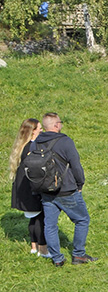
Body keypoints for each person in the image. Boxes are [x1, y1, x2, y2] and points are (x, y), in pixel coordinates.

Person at [35, 113, 94, 266]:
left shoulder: (36, 143)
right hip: (67, 190)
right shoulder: (65, 142)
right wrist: (80, 184)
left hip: (46, 190)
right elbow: (76, 166)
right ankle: (78, 255)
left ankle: (57, 259)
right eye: (60, 122)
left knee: (50, 225)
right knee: (82, 220)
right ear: (56, 125)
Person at [9, 118, 47, 257]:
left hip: (23, 188)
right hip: (31, 189)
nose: (42, 131)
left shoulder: (22, 146)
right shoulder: (32, 147)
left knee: (33, 218)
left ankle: (33, 247)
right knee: (41, 218)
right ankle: (43, 250)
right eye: (39, 129)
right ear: (33, 132)